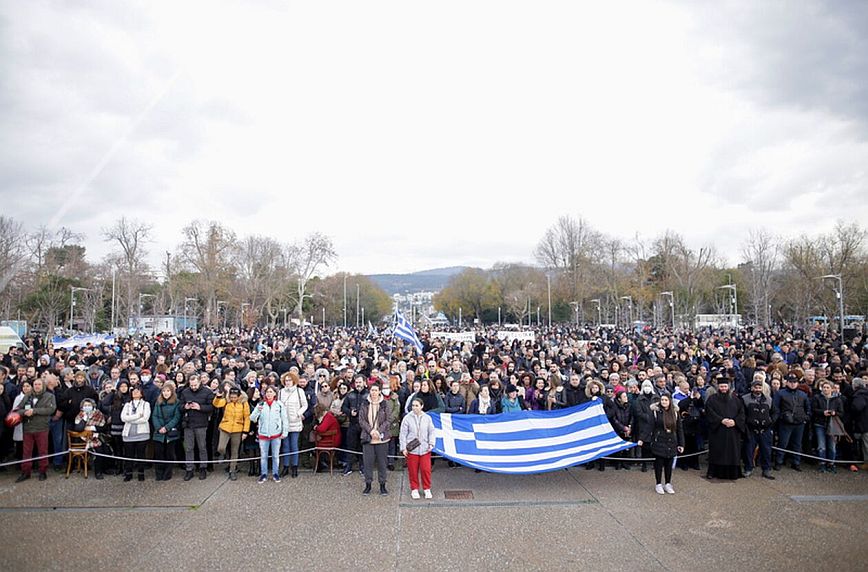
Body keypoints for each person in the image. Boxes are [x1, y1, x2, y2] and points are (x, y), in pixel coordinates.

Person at [638, 393, 684, 494]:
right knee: (659, 463)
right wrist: (642, 438)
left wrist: (681, 444)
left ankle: (668, 483)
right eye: (662, 400)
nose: (663, 402)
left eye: (666, 400)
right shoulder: (655, 412)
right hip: (659, 440)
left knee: (669, 464)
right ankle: (658, 483)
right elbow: (649, 426)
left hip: (671, 440)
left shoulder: (675, 413)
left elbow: (679, 429)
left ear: (670, 401)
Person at [16, 377, 56, 482]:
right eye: (35, 384)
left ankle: (43, 471)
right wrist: (24, 412)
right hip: (28, 428)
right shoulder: (27, 396)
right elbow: (18, 409)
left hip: (42, 428)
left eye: (39, 384)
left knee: (43, 451)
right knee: (26, 452)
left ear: (43, 385)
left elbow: (51, 410)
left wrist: (34, 411)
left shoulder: (49, 396)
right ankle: (26, 472)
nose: (37, 386)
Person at [704, 378, 745, 480]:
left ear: (729, 387)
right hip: (718, 430)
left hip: (733, 431)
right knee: (717, 452)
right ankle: (713, 472)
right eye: (721, 386)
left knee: (733, 452)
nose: (723, 388)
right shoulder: (712, 399)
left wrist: (735, 422)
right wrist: (721, 420)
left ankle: (733, 474)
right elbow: (709, 412)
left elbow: (742, 413)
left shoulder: (736, 399)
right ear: (718, 387)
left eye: (725, 386)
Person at [250, 384, 289, 483]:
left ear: (275, 393)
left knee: (275, 455)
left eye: (271, 392)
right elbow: (252, 418)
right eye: (267, 392)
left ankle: (275, 473)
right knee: (263, 455)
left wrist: (284, 431)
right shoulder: (261, 404)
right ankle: (264, 474)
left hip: (276, 434)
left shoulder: (279, 405)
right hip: (263, 434)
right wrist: (257, 412)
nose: (269, 394)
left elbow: (284, 419)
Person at [179, 374, 214, 481]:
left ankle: (203, 467)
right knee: (189, 448)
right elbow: (180, 406)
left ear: (200, 382)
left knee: (202, 447)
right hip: (188, 424)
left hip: (201, 424)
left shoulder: (207, 392)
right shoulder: (185, 392)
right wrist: (185, 407)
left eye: (195, 385)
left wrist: (200, 407)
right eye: (191, 385)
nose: (193, 387)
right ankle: (189, 469)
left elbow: (212, 407)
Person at [772, 373, 811, 471]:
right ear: (787, 382)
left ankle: (796, 462)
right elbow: (775, 408)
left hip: (799, 423)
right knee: (782, 443)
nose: (793, 384)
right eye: (791, 382)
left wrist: (805, 418)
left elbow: (808, 408)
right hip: (785, 423)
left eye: (795, 382)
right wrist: (782, 417)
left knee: (797, 444)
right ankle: (779, 462)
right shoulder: (780, 393)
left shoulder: (803, 394)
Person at [400, 397, 436, 500]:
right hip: (412, 449)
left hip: (425, 448)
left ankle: (427, 488)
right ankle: (414, 489)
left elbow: (431, 431)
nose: (414, 408)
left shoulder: (427, 418)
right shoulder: (407, 418)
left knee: (425, 469)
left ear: (421, 406)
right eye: (413, 406)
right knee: (413, 470)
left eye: (417, 405)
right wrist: (403, 448)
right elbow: (403, 434)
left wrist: (431, 443)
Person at [359, 383, 390, 496]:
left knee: (382, 463)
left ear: (379, 391)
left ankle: (382, 485)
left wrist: (378, 431)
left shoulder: (385, 404)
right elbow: (361, 420)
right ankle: (368, 485)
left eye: (376, 390)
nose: (374, 392)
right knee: (368, 463)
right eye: (372, 390)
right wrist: (371, 431)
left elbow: (388, 420)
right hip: (368, 438)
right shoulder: (364, 404)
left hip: (382, 439)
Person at [213, 386, 251, 480]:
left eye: (235, 397)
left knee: (235, 451)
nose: (233, 399)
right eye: (231, 397)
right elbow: (217, 404)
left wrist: (245, 431)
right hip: (225, 427)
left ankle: (232, 470)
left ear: (239, 396)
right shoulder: (226, 401)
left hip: (237, 429)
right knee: (221, 448)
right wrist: (218, 397)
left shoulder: (243, 403)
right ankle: (224, 455)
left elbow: (247, 417)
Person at [741, 378, 775, 480]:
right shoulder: (745, 399)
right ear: (752, 388)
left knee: (766, 450)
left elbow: (775, 412)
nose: (758, 389)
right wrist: (746, 423)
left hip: (765, 429)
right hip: (751, 429)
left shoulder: (769, 399)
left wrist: (770, 421)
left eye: (760, 387)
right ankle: (748, 468)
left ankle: (766, 469)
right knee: (749, 450)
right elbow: (742, 413)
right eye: (756, 387)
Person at [70, 397, 109, 479]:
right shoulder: (80, 415)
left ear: (93, 406)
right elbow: (78, 428)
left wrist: (92, 428)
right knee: (96, 449)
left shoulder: (98, 414)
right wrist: (84, 419)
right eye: (85, 405)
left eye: (89, 405)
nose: (87, 407)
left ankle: (99, 471)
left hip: (95, 437)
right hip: (82, 439)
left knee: (101, 449)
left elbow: (103, 427)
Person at [278, 372, 307, 478]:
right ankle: (285, 466)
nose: (288, 382)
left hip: (295, 421)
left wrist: (298, 413)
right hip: (284, 422)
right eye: (286, 380)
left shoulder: (300, 391)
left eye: (290, 380)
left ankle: (294, 467)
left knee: (294, 445)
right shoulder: (281, 392)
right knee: (285, 446)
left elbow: (304, 405)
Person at [811, 380, 844, 473]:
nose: (825, 389)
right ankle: (822, 463)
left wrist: (834, 413)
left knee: (832, 446)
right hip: (820, 424)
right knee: (821, 446)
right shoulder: (817, 397)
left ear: (832, 389)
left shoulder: (837, 399)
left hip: (832, 425)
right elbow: (813, 409)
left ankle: (831, 464)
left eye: (827, 387)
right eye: (824, 387)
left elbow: (841, 413)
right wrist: (822, 412)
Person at [152, 381, 182, 481]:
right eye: (164, 391)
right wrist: (159, 427)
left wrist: (167, 427)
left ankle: (167, 473)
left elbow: (176, 417)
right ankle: (159, 473)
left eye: (168, 391)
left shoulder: (176, 402)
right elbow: (155, 416)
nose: (166, 393)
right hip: (159, 432)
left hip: (170, 432)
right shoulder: (158, 402)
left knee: (169, 453)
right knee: (159, 453)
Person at [120, 386, 151, 481]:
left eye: (138, 391)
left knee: (141, 454)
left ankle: (141, 473)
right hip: (128, 434)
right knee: (129, 454)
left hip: (142, 434)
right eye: (133, 391)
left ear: (141, 393)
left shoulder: (146, 404)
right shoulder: (127, 405)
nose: (135, 393)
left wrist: (131, 419)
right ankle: (128, 473)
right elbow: (123, 418)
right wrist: (137, 416)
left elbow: (145, 418)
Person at [341, 375, 367, 475]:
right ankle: (349, 466)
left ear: (364, 383)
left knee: (363, 446)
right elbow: (344, 407)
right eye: (356, 382)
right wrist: (349, 412)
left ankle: (362, 466)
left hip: (364, 425)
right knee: (350, 446)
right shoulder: (350, 395)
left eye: (360, 382)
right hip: (352, 423)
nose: (358, 384)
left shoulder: (368, 394)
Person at [312, 403, 341, 472]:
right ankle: (322, 463)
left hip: (331, 441)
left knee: (312, 446)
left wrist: (316, 428)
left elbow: (322, 429)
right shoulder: (328, 416)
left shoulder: (328, 417)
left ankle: (321, 464)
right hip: (330, 438)